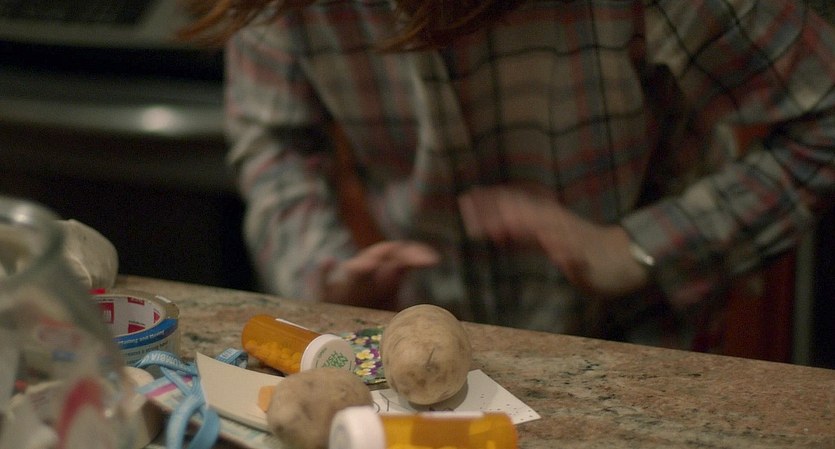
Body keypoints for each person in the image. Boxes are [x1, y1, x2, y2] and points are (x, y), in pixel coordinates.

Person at [182, 0, 835, 348]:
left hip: (640, 337)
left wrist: (639, 247)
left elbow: (824, 116)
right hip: (426, 337)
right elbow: (275, 142)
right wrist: (319, 275)